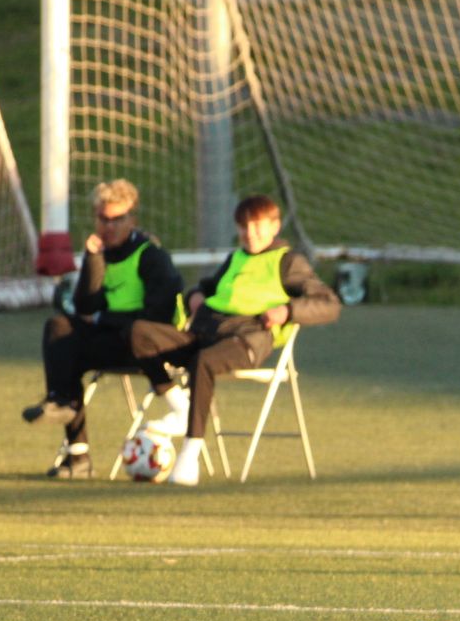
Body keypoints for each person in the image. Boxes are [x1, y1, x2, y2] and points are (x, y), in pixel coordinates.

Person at [130, 194, 341, 487]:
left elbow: (329, 304)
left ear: (275, 226)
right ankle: (178, 406)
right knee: (140, 333)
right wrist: (195, 297)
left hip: (247, 340)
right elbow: (206, 287)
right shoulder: (236, 258)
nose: (249, 233)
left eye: (257, 226)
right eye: (243, 226)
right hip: (204, 334)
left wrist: (288, 310)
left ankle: (190, 454)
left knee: (203, 362)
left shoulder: (287, 262)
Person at [21, 179, 187, 479]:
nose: (109, 227)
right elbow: (85, 306)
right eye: (103, 219)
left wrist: (101, 320)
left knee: (101, 338)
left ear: (132, 219)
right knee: (60, 329)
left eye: (117, 219)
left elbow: (157, 316)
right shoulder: (98, 254)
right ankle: (75, 448)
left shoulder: (152, 257)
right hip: (110, 339)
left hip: (145, 347)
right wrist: (93, 260)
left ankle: (64, 407)